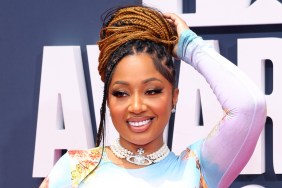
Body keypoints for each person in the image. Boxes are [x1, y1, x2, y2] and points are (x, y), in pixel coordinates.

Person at [39, 5, 266, 188]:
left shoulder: (197, 170)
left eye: (152, 91)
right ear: (108, 99)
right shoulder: (73, 170)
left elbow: (249, 106)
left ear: (174, 97)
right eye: (121, 93)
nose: (136, 106)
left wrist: (190, 46)